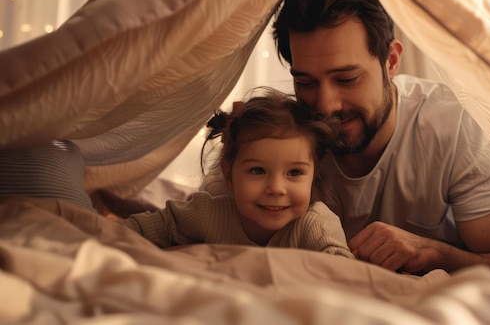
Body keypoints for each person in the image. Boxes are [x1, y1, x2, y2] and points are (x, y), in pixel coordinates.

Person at [270, 0, 490, 283]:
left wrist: (432, 252)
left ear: (391, 61)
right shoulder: (278, 133)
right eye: (305, 82)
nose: (326, 105)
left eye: (347, 79)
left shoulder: (450, 124)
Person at [122, 88, 354, 259]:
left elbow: (344, 276)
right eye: (258, 170)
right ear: (229, 175)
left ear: (314, 176)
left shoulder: (316, 224)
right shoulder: (208, 214)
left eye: (294, 172)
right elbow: (130, 231)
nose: (276, 188)